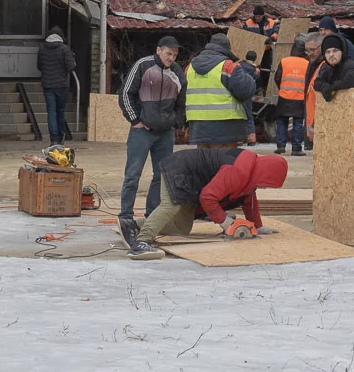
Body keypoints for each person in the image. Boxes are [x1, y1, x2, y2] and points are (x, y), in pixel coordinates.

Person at [125, 145, 291, 259]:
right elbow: (208, 197)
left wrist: (257, 226)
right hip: (181, 167)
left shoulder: (251, 173)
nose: (266, 188)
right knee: (171, 205)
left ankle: (135, 225)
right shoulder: (238, 171)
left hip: (193, 177)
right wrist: (225, 222)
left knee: (182, 227)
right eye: (268, 184)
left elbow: (248, 199)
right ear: (265, 174)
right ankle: (141, 243)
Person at [116, 34, 185, 227]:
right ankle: (126, 216)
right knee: (132, 175)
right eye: (168, 53)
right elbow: (125, 95)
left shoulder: (178, 72)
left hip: (165, 133)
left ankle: (151, 216)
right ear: (158, 50)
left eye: (174, 54)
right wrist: (135, 120)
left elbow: (182, 102)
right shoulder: (142, 66)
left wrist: (176, 122)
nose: (171, 58)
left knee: (161, 176)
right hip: (142, 131)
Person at [186, 32, 260, 147]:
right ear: (227, 50)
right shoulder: (228, 66)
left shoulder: (189, 67)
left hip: (198, 126)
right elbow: (246, 90)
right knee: (224, 162)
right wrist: (250, 75)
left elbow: (181, 93)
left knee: (204, 161)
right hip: (225, 127)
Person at [37, 30, 76, 144]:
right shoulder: (64, 49)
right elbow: (71, 66)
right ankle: (60, 136)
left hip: (48, 84)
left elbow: (39, 66)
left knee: (51, 111)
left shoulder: (42, 49)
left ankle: (53, 138)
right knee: (60, 111)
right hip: (62, 85)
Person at [273, 35, 311, 154]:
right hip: (299, 98)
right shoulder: (307, 63)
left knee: (281, 122)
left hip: (284, 96)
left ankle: (281, 146)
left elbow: (277, 77)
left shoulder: (284, 61)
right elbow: (310, 81)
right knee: (298, 124)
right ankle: (296, 148)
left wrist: (282, 89)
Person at [310, 32, 354, 108]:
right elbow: (317, 82)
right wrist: (324, 87)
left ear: (342, 51)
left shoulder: (351, 66)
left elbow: (350, 81)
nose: (331, 54)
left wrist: (332, 88)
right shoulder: (326, 67)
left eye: (335, 51)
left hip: (352, 109)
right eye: (328, 52)